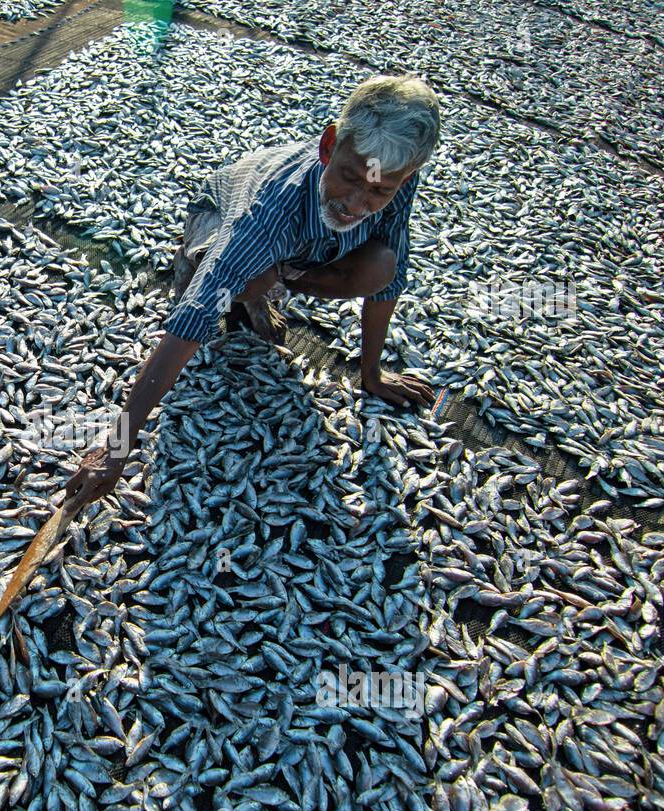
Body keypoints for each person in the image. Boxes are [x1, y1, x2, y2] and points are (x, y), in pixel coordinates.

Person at [65, 74, 441, 509]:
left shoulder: (396, 176)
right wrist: (117, 448)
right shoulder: (268, 210)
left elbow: (392, 276)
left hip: (299, 246)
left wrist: (371, 373)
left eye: (379, 190)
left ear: (406, 175)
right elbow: (194, 319)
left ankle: (273, 275)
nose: (356, 203)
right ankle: (228, 268)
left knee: (380, 266)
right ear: (329, 146)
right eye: (349, 177)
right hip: (222, 218)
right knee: (237, 282)